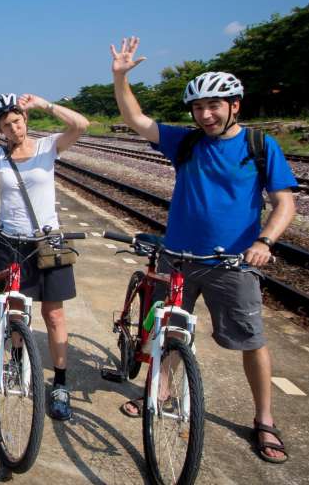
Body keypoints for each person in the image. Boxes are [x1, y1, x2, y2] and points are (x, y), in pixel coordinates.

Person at [109, 36, 296, 463]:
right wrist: (120, 77)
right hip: (176, 258)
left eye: (215, 106)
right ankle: (161, 390)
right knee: (168, 333)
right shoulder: (186, 142)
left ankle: (264, 419)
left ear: (235, 106)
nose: (206, 114)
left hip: (231, 263)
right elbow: (136, 118)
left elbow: (284, 203)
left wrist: (264, 242)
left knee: (251, 341)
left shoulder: (259, 146)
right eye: (198, 108)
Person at [0, 91, 89, 420]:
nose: (14, 129)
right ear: (0, 129)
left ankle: (60, 383)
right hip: (10, 242)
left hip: (48, 242)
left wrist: (46, 104)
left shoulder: (48, 147)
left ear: (25, 119)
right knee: (16, 312)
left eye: (17, 121)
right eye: (7, 125)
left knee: (54, 315)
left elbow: (81, 124)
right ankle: (18, 364)